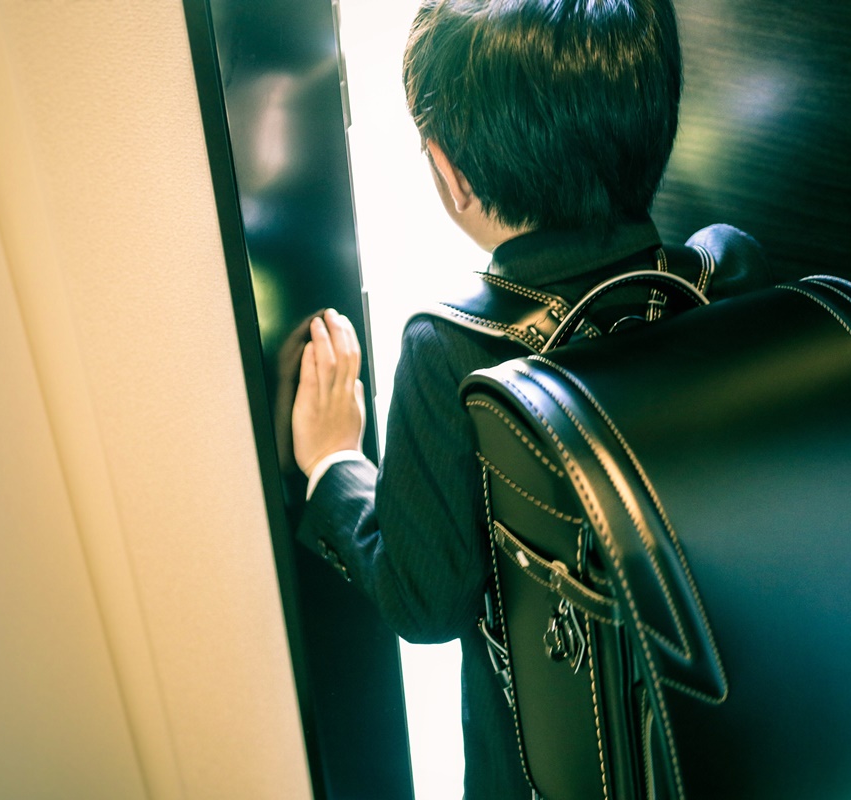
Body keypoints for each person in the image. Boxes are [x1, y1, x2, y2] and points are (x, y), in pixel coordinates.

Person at [290, 1, 764, 796]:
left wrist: (334, 461)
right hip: (724, 728)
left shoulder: (449, 353)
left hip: (560, 768)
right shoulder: (722, 277)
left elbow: (426, 599)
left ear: (448, 171)